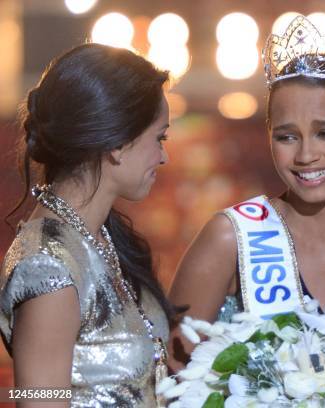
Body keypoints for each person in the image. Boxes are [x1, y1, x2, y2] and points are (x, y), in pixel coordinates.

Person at [169, 15, 325, 369]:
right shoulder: (232, 237)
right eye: (287, 136)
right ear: (268, 133)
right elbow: (172, 377)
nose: (306, 156)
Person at [0, 43, 176, 407]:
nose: (164, 155)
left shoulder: (98, 237)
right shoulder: (47, 267)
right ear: (119, 142)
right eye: (159, 138)